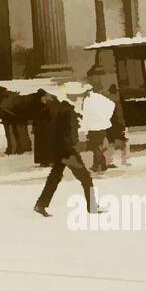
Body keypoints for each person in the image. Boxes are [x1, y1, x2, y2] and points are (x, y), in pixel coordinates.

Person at [34, 82, 99, 217]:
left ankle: (41, 204)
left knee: (54, 178)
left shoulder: (57, 109)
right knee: (86, 178)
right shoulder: (67, 110)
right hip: (68, 152)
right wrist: (72, 149)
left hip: (60, 151)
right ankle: (92, 207)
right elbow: (67, 134)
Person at [107, 84, 130, 167]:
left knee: (111, 144)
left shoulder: (107, 100)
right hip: (117, 125)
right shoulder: (117, 101)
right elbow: (120, 115)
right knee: (124, 143)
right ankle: (124, 160)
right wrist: (123, 125)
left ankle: (109, 162)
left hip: (109, 125)